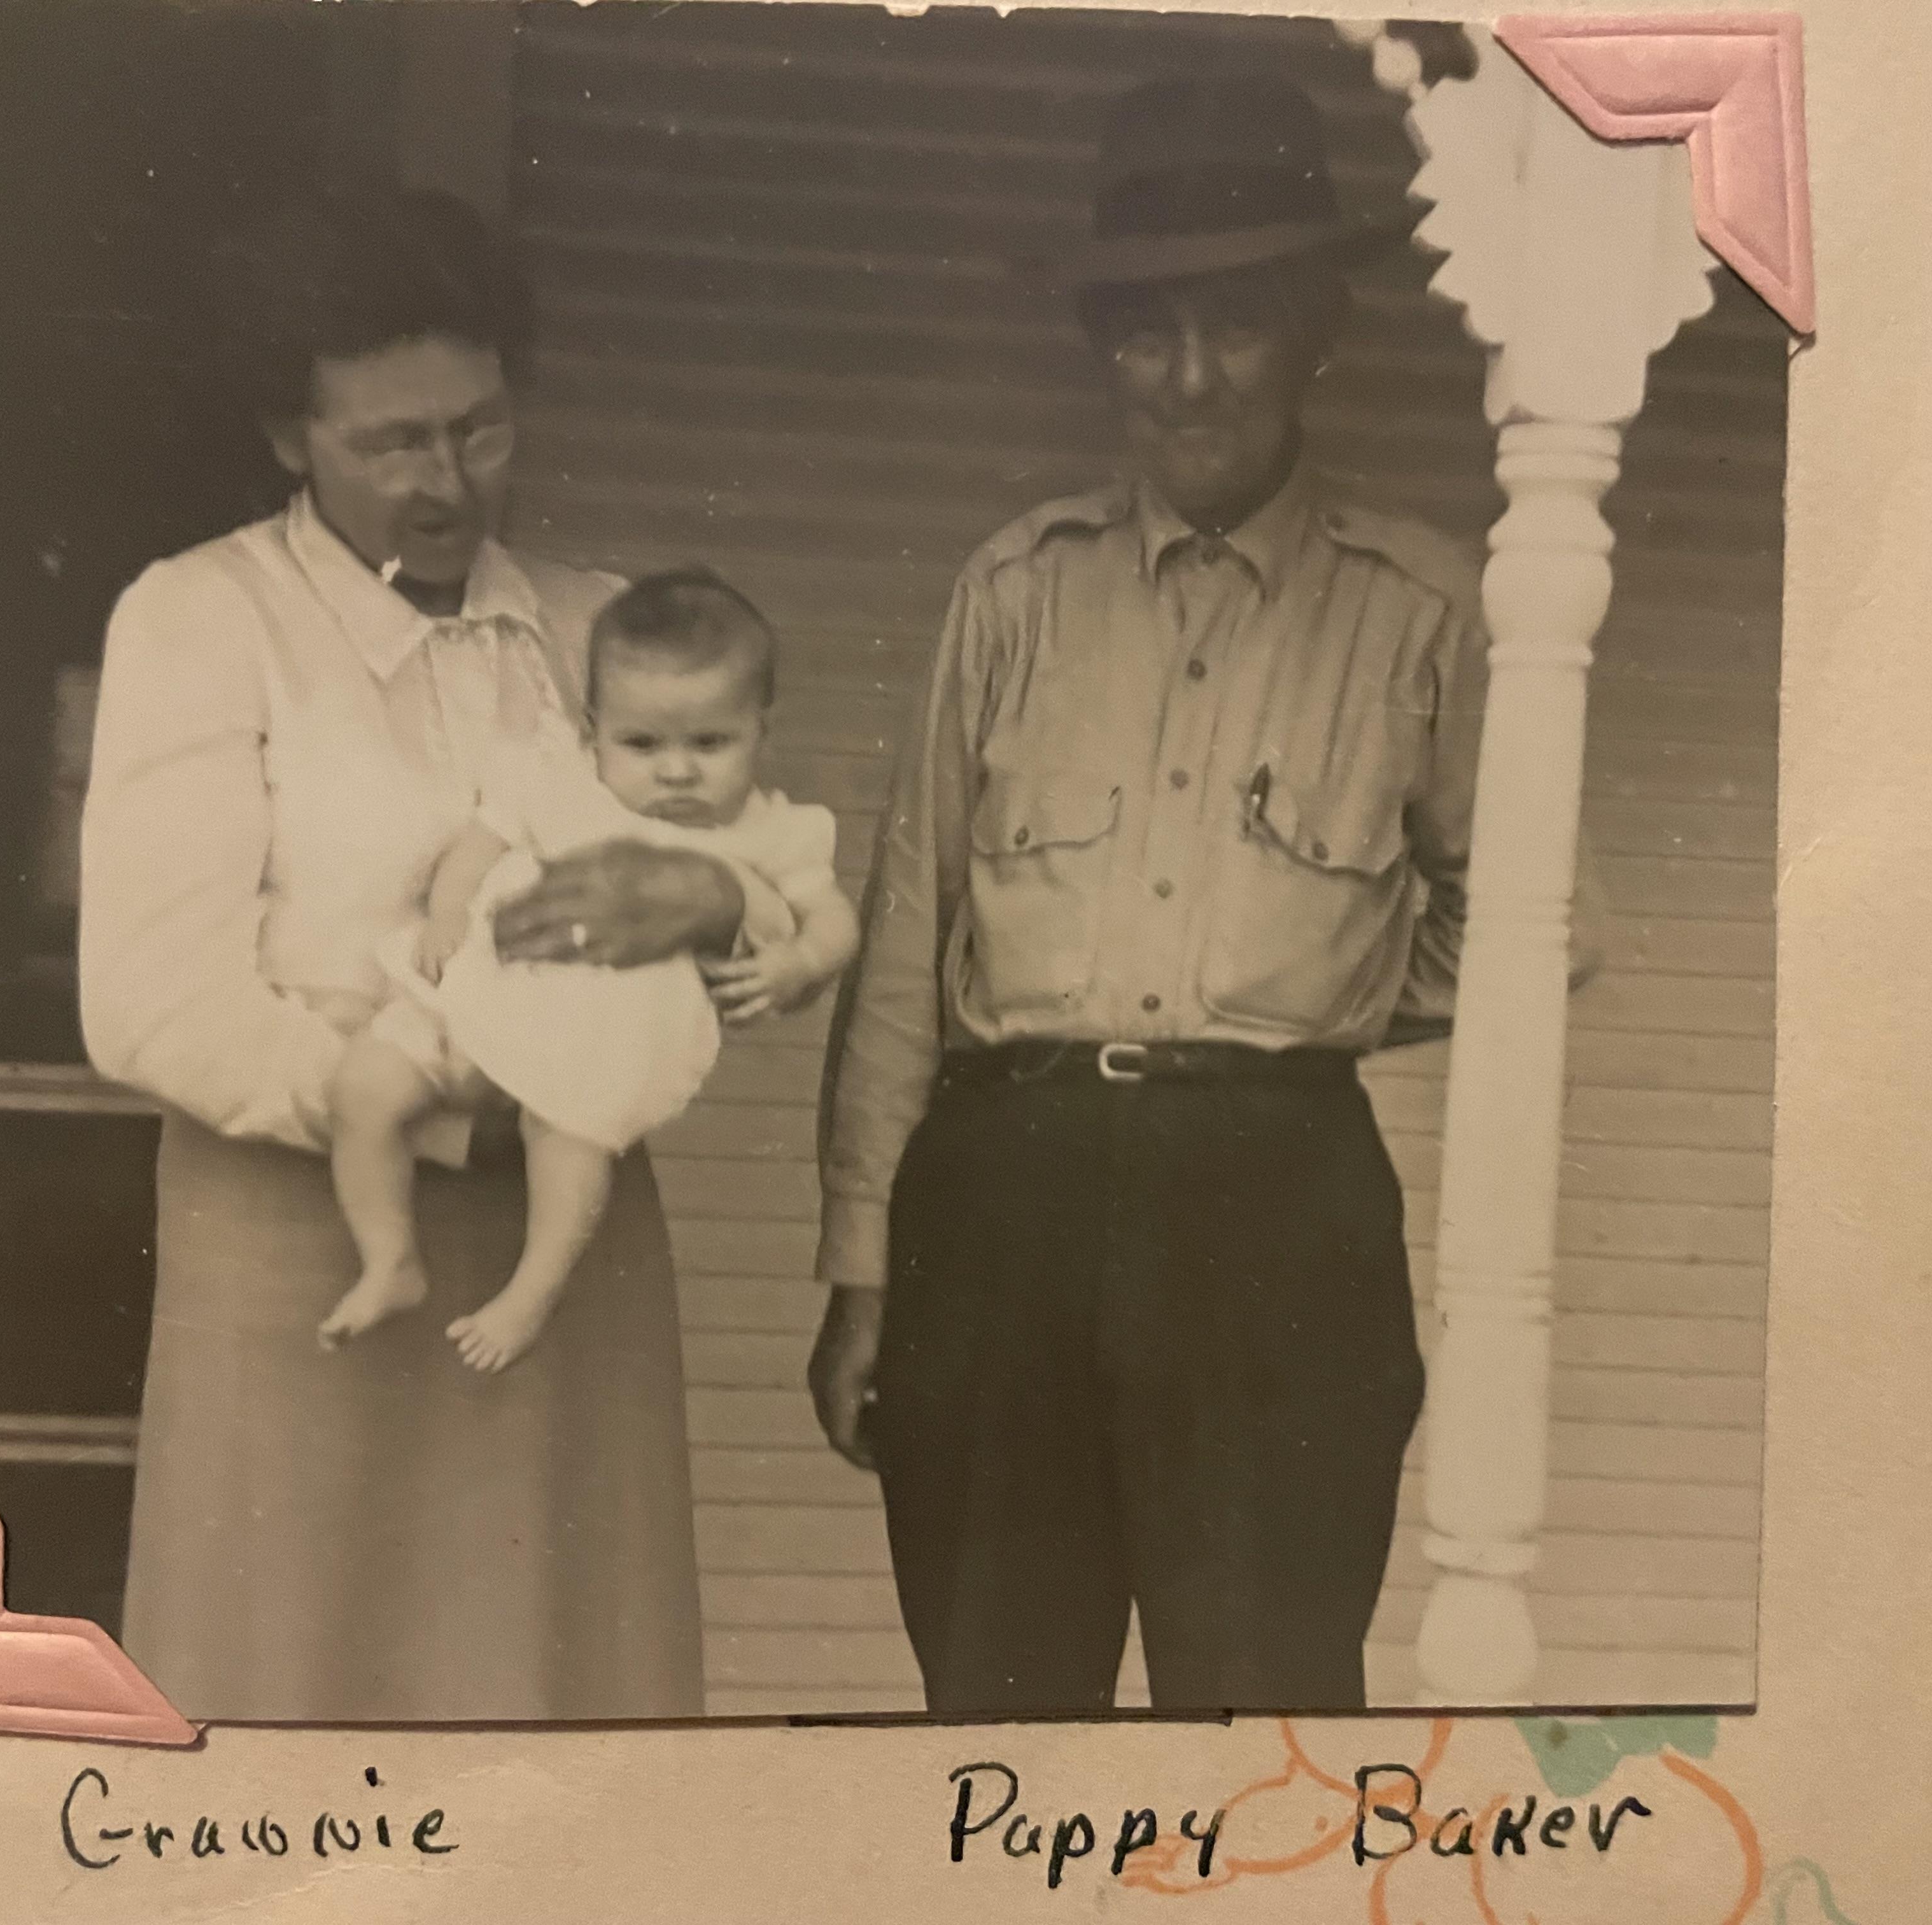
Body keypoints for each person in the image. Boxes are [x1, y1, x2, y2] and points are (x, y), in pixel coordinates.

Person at [810, 75, 1600, 1715]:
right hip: (999, 1198)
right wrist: (860, 1265)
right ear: (1099, 346)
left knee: (1262, 1722)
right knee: (991, 1712)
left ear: (1312, 334)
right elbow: (904, 944)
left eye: (1232, 326)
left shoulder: (1420, 612)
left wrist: (1300, 998)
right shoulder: (1012, 589)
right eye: (1143, 333)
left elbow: (1536, 930)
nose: (1184, 379)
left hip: (1274, 1214)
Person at [78, 183, 745, 1721]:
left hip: (564, 1264)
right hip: (297, 1250)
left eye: (478, 429)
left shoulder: (595, 629)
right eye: (390, 442)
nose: (446, 482)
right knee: (294, 1686)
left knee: (560, 1693)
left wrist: (709, 915)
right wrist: (439, 1105)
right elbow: (152, 997)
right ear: (284, 435)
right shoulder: (200, 619)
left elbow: (732, 902)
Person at [318, 568, 859, 1371]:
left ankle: (530, 1294)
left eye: (710, 744)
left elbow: (834, 919)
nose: (676, 771)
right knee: (363, 1086)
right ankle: (389, 1256)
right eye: (642, 744)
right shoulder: (561, 780)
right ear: (594, 727)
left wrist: (800, 960)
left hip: (599, 1039)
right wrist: (447, 915)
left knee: (568, 1141)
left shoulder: (770, 832)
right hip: (485, 990)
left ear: (760, 734)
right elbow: (481, 842)